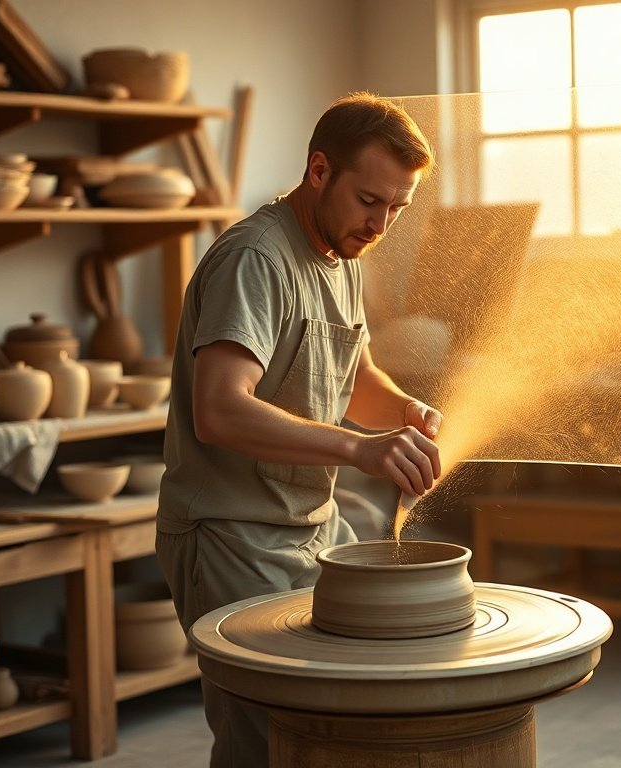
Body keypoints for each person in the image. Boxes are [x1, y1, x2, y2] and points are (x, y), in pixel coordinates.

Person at [155, 91, 442, 768]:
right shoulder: (256, 258)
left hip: (310, 527)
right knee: (269, 742)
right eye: (370, 200)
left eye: (398, 207)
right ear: (319, 171)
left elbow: (355, 373)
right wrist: (358, 449)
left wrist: (405, 412)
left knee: (330, 731)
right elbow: (220, 408)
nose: (382, 223)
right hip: (232, 532)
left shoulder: (343, 253)